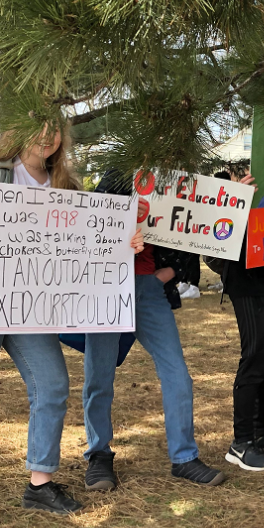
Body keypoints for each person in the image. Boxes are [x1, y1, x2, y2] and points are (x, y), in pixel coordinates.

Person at [0, 125, 142, 521]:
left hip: (28, 306)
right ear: (19, 131)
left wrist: (125, 244)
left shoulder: (67, 186)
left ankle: (40, 483)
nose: (47, 137)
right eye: (39, 129)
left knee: (52, 383)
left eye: (55, 131)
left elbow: (87, 242)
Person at [79, 172, 226, 493]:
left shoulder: (180, 182)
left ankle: (184, 457)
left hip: (150, 288)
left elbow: (194, 229)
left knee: (177, 374)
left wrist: (168, 273)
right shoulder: (116, 177)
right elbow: (90, 224)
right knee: (98, 377)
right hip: (106, 286)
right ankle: (98, 455)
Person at [207, 170, 264, 472]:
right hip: (248, 283)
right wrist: (233, 201)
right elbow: (214, 238)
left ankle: (259, 434)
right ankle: (241, 442)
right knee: (255, 359)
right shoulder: (237, 190)